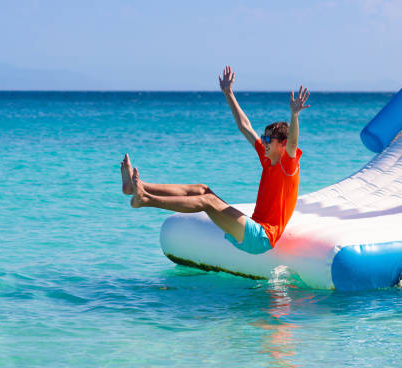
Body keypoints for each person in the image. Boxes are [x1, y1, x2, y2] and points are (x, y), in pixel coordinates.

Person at [121, 66, 310, 254]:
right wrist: (228, 93)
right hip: (249, 227)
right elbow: (245, 126)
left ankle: (146, 199)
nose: (264, 142)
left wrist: (294, 115)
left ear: (282, 144)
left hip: (262, 238)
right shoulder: (267, 159)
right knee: (201, 189)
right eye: (264, 137)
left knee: (209, 200)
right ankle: (137, 186)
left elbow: (293, 141)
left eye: (269, 139)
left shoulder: (288, 165)